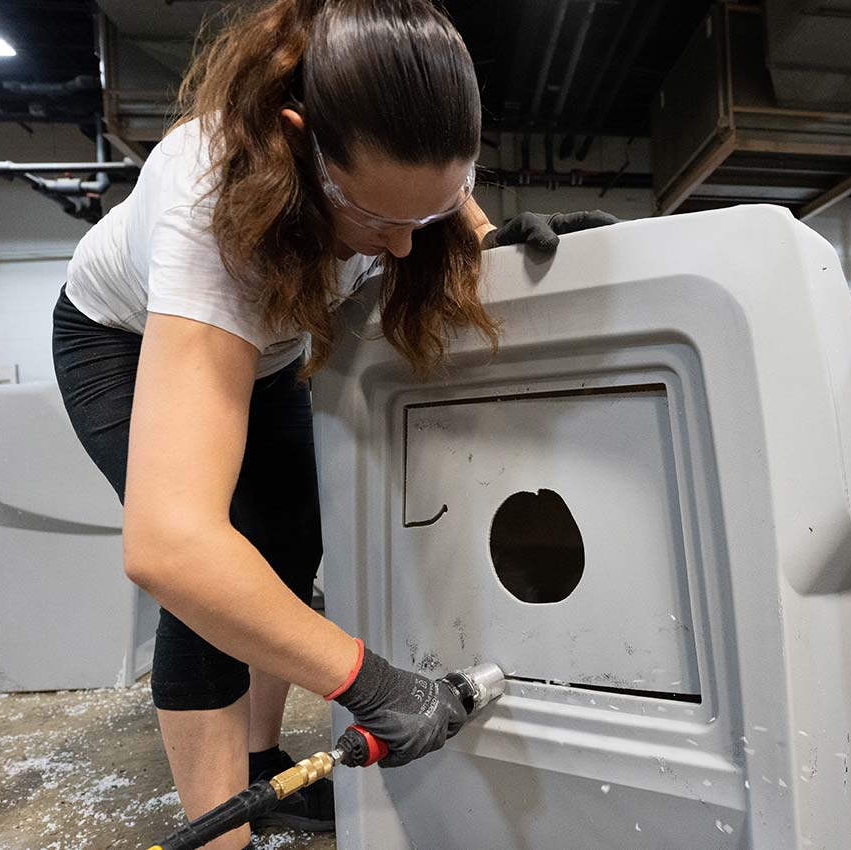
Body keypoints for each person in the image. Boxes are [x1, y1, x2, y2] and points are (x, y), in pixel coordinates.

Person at [51, 1, 615, 847]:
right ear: (296, 141)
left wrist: (487, 240)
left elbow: (429, 198)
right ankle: (221, 834)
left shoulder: (399, 185)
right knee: (213, 570)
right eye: (377, 218)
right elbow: (170, 545)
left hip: (273, 343)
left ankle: (260, 766)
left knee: (289, 539)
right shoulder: (211, 205)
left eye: (423, 217)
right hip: (123, 340)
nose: (396, 251)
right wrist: (367, 682)